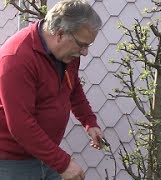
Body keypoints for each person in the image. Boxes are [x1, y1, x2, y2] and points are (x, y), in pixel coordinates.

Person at [0, 0, 104, 179]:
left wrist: (89, 121)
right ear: (60, 34)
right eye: (83, 44)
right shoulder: (17, 58)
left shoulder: (68, 55)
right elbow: (21, 124)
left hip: (46, 154)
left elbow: (72, 86)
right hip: (12, 162)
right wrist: (63, 163)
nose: (85, 52)